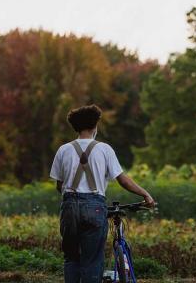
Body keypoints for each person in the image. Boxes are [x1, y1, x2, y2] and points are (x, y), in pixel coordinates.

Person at [50, 104, 155, 283]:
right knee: (92, 261)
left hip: (69, 207)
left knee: (72, 258)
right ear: (94, 127)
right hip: (95, 206)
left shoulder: (63, 150)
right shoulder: (104, 149)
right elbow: (122, 180)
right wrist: (145, 194)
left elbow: (60, 185)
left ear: (76, 127)